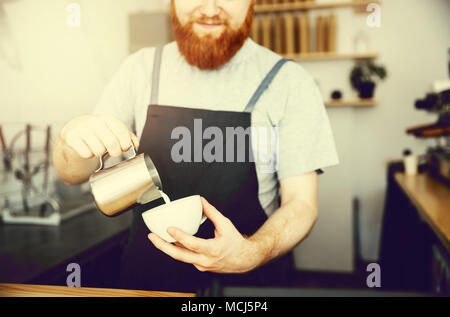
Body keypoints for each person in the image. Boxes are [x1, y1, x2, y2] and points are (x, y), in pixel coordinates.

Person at [52, 0, 339, 293]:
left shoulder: (289, 81)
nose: (211, 8)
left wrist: (252, 252)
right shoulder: (139, 70)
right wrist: (70, 139)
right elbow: (72, 174)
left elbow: (301, 203)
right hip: (148, 281)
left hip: (246, 286)